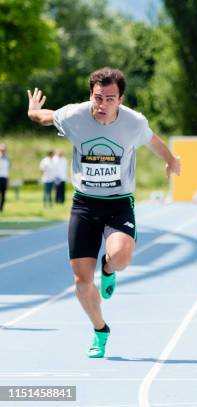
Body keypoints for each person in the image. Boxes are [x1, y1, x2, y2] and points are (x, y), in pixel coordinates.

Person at [27, 67, 180, 358]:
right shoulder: (75, 116)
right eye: (98, 98)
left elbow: (155, 142)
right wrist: (33, 110)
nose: (102, 105)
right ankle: (100, 330)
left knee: (121, 257)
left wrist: (171, 161)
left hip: (118, 202)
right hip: (84, 205)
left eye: (110, 99)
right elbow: (44, 117)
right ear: (90, 95)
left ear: (120, 99)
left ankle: (108, 269)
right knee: (82, 284)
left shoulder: (134, 123)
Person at [0, 144, 9, 211]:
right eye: (2, 150)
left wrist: (8, 179)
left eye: (4, 150)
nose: (3, 151)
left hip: (4, 177)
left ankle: (1, 208)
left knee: (3, 194)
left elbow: (7, 169)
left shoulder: (7, 159)